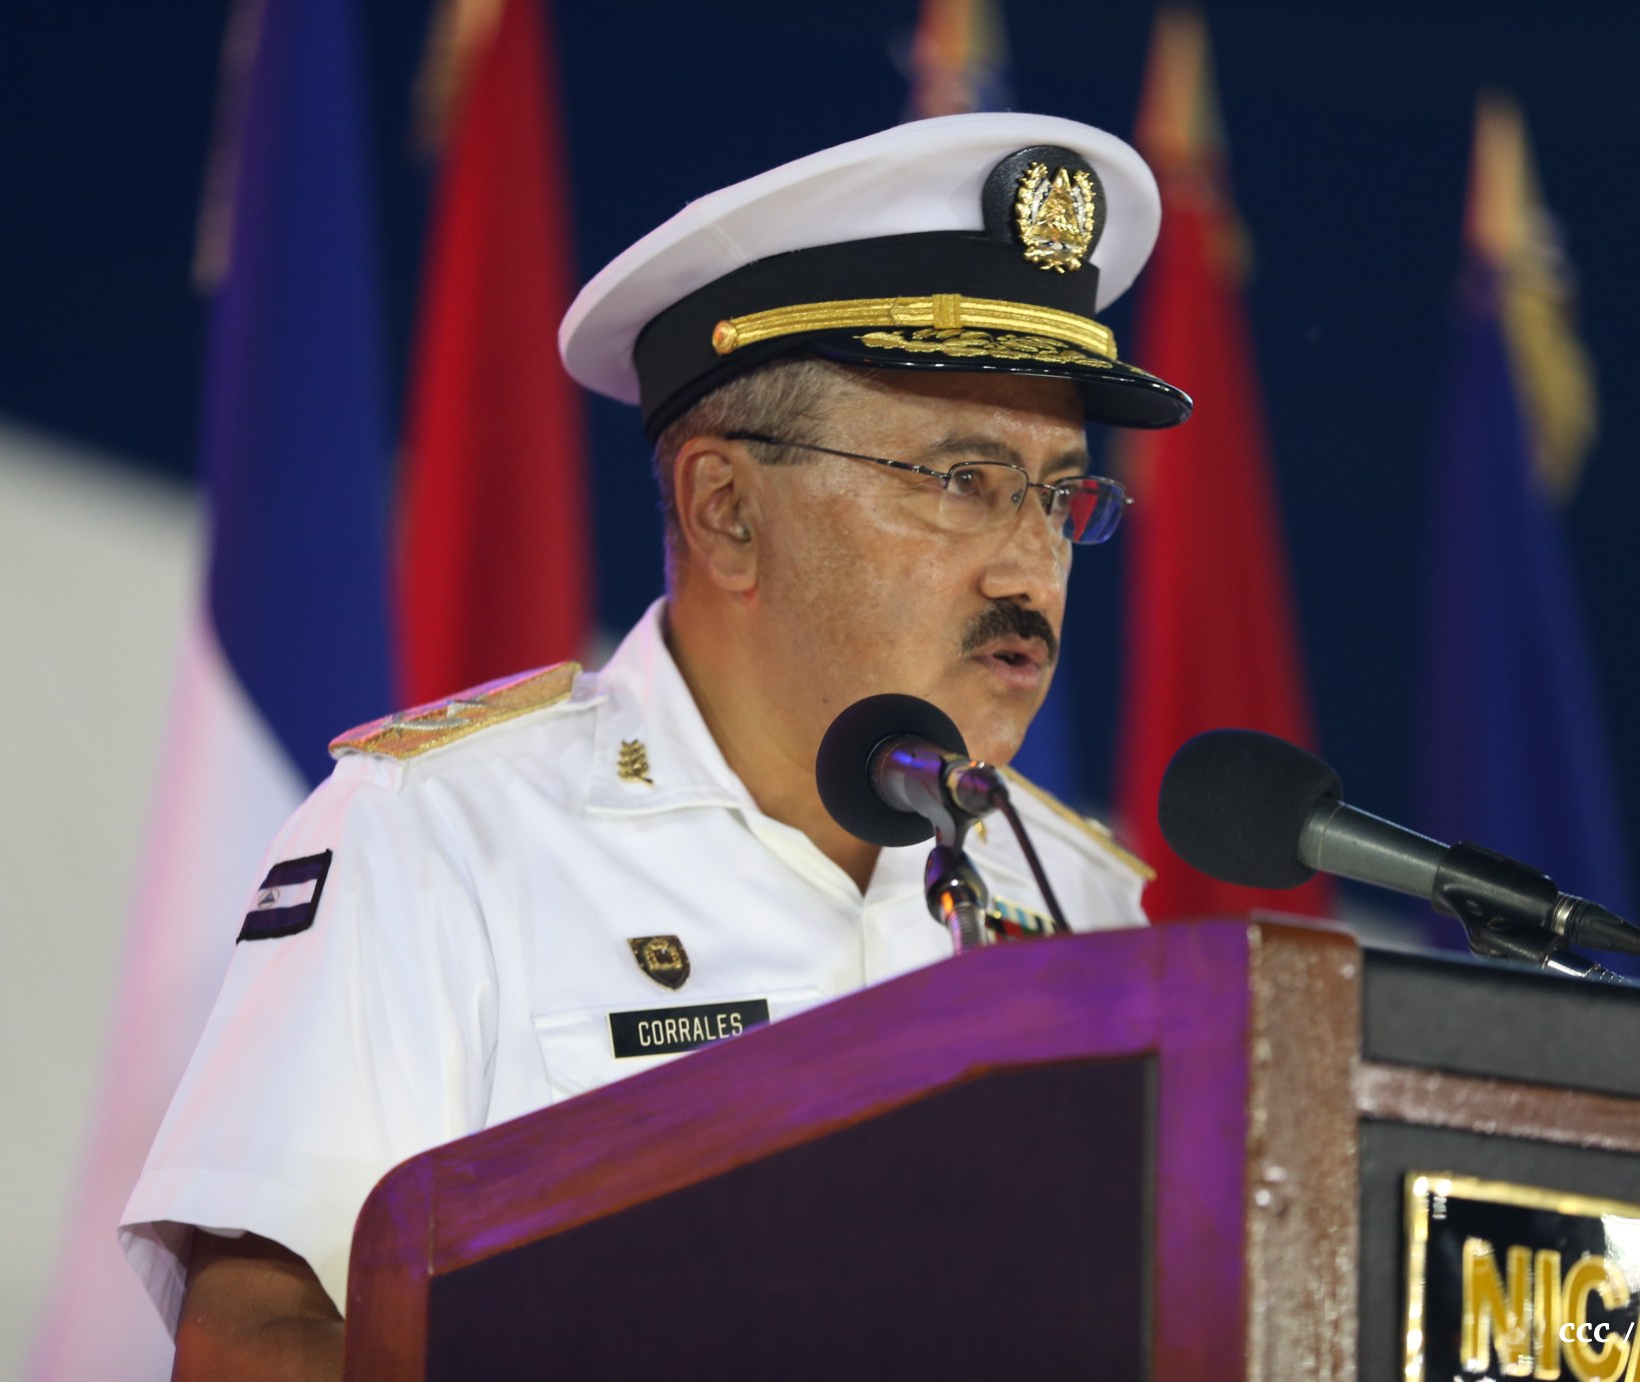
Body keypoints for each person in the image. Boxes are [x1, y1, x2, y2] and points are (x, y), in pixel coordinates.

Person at [123, 111, 1192, 1379]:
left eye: (1061, 496)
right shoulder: (448, 836)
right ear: (725, 509)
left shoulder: (1079, 898)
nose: (1032, 566)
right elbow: (255, 1337)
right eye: (965, 481)